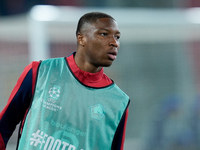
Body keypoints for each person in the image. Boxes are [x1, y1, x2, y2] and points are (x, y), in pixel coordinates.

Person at [0, 12, 130, 150]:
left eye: (117, 37)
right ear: (81, 38)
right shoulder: (40, 72)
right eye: (104, 34)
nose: (114, 42)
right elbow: (3, 127)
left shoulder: (119, 102)